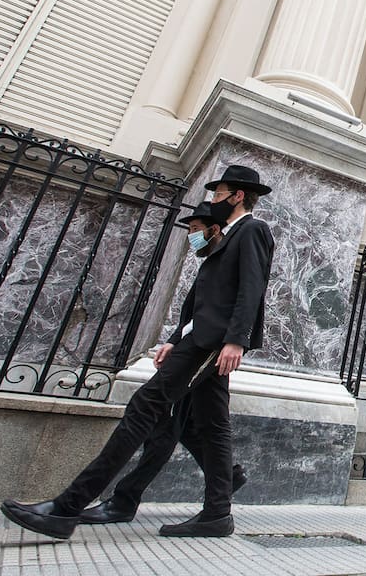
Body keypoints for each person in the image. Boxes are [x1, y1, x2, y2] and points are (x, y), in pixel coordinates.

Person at [0, 165, 275, 539]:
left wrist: (236, 340)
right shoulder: (224, 238)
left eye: (218, 194)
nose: (213, 201)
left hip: (212, 342)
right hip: (199, 339)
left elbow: (252, 287)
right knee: (211, 426)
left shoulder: (252, 230)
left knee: (146, 406)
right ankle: (216, 514)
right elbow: (202, 302)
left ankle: (67, 507)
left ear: (237, 195)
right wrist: (175, 339)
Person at [78, 201, 248, 525]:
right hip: (192, 347)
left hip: (204, 351)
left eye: (196, 229)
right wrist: (173, 340)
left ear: (215, 229)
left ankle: (119, 500)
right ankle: (225, 480)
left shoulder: (232, 257)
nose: (191, 235)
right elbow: (194, 313)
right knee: (184, 426)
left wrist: (233, 341)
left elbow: (241, 302)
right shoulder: (212, 261)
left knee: (163, 423)